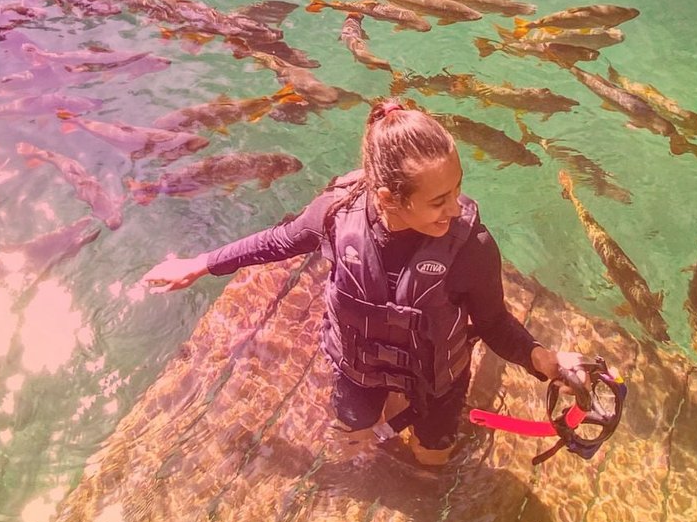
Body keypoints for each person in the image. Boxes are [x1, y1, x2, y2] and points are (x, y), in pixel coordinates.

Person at [139, 98, 602, 467]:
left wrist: (546, 361)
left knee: (432, 458)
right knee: (353, 437)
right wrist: (201, 263)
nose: (455, 208)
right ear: (387, 197)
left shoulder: (471, 247)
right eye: (438, 200)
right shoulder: (336, 215)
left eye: (457, 189)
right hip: (357, 366)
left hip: (436, 379)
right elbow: (279, 241)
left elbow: (495, 323)